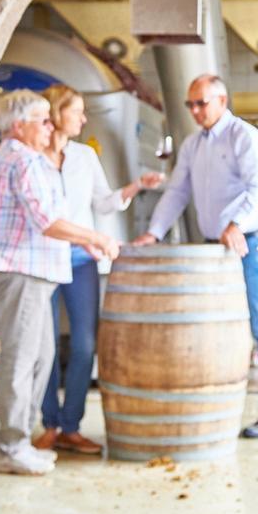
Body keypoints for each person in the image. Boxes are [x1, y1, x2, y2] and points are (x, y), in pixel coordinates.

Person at [132, 74, 258, 438]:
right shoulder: (192, 145)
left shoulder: (244, 137)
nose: (195, 110)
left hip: (249, 241)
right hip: (213, 247)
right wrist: (152, 233)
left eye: (201, 102)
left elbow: (257, 191)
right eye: (191, 104)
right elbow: (176, 192)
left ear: (222, 100)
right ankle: (218, 407)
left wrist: (235, 223)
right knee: (219, 327)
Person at [0, 89, 122, 475]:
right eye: (43, 120)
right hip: (23, 272)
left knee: (41, 357)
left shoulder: (22, 158)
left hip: (37, 271)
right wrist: (95, 238)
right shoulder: (22, 160)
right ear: (19, 126)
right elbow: (46, 221)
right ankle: (11, 445)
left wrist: (86, 242)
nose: (51, 127)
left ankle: (21, 440)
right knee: (20, 359)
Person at [33, 85, 165, 455]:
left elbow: (103, 204)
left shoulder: (85, 157)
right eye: (77, 111)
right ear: (58, 114)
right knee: (43, 347)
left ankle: (71, 426)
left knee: (85, 344)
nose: (84, 118)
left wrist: (136, 186)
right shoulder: (33, 156)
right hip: (41, 259)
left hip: (80, 260)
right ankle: (50, 424)